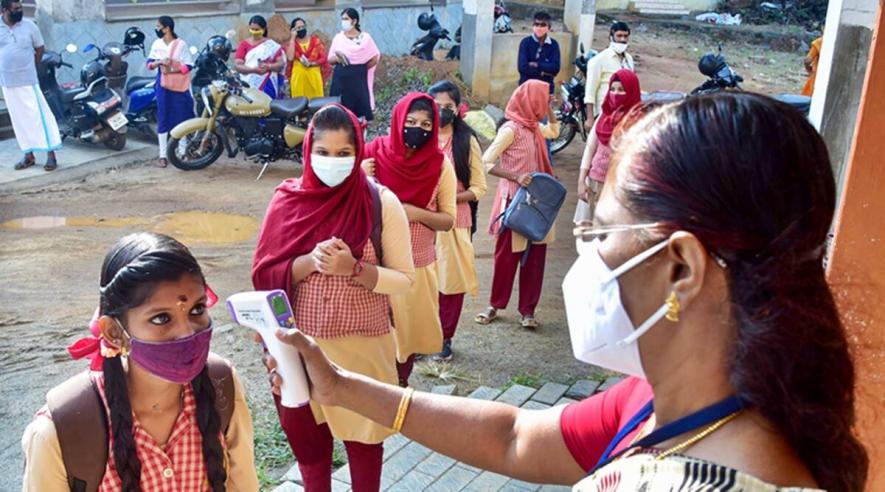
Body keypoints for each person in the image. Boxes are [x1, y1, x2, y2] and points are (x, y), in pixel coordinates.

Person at [265, 92, 869, 492]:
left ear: (681, 266)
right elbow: (516, 438)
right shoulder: (664, 403)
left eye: (602, 232)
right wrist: (343, 387)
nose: (585, 255)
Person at [252, 104, 415, 491]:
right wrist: (308, 263)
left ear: (359, 153)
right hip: (298, 350)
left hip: (363, 350)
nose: (333, 161)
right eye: (323, 152)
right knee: (311, 452)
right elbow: (264, 273)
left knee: (363, 445)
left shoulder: (380, 203)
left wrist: (355, 270)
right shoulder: (287, 201)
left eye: (344, 154)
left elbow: (405, 280)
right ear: (308, 150)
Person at [21, 232, 259, 491]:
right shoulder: (59, 433)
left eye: (197, 309)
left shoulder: (221, 387)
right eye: (160, 319)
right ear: (114, 332)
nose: (188, 333)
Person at [362, 93, 456, 385]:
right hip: (373, 262)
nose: (418, 129)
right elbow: (341, 201)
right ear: (398, 120)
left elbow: (448, 220)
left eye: (426, 124)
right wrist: (359, 176)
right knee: (375, 334)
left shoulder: (440, 166)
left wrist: (415, 213)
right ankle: (378, 389)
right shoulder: (372, 154)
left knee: (408, 335)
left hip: (416, 263)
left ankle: (400, 388)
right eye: (411, 121)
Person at [474, 80, 558, 330]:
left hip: (539, 204)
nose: (544, 103)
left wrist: (550, 109)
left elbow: (554, 131)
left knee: (536, 259)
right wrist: (516, 177)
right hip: (514, 203)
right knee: (506, 258)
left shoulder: (534, 127)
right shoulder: (511, 130)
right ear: (530, 101)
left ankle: (528, 312)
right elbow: (485, 162)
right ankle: (495, 305)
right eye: (541, 99)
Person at [428, 81, 487, 361]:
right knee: (422, 282)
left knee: (450, 283)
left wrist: (450, 198)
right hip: (419, 221)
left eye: (448, 107)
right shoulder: (420, 134)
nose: (442, 111)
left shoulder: (466, 140)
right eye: (436, 106)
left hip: (454, 221)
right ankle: (421, 337)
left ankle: (444, 337)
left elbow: (479, 187)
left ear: (458, 108)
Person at [1, 0, 61, 171]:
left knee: (39, 118)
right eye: (16, 9)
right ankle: (29, 155)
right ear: (5, 10)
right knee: (19, 121)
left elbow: (40, 49)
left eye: (20, 7)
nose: (20, 11)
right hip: (7, 83)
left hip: (28, 80)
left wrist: (31, 65)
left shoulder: (29, 26)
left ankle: (51, 155)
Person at [575, 69, 641, 225]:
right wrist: (581, 181)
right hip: (594, 183)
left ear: (631, 92)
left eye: (621, 90)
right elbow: (590, 149)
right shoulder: (602, 118)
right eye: (612, 89)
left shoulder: (638, 123)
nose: (615, 94)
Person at [147, 16, 195, 168]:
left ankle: (182, 151)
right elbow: (149, 65)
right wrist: (160, 62)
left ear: (167, 28)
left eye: (158, 26)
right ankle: (163, 155)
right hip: (162, 84)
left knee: (181, 117)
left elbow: (188, 66)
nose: (157, 29)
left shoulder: (181, 45)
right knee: (163, 116)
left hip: (179, 85)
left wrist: (172, 69)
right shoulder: (157, 44)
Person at [328, 8, 380, 121]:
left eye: (346, 19)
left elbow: (374, 57)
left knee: (360, 116)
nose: (343, 22)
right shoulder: (339, 38)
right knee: (339, 115)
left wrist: (360, 69)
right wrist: (338, 58)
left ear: (354, 21)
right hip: (341, 81)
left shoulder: (365, 38)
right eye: (342, 19)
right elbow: (330, 59)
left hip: (358, 80)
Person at [583, 21, 634, 128]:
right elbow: (590, 92)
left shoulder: (629, 59)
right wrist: (590, 118)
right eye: (619, 36)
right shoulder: (599, 60)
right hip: (604, 113)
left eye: (625, 36)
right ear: (611, 37)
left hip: (623, 113)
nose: (622, 40)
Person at [235, 15, 286, 99]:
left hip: (268, 83)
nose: (254, 32)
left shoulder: (271, 45)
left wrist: (268, 66)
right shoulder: (244, 44)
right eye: (252, 29)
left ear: (263, 29)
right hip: (249, 83)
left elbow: (280, 64)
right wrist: (253, 70)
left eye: (257, 30)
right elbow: (238, 65)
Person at [286, 17, 331, 100]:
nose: (301, 29)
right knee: (299, 105)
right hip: (299, 80)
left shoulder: (315, 41)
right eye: (298, 28)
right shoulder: (292, 44)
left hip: (314, 77)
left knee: (316, 104)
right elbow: (290, 57)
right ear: (293, 30)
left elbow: (323, 59)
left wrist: (311, 63)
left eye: (303, 27)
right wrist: (292, 38)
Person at [517, 11, 560, 95]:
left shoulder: (553, 45)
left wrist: (537, 65)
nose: (539, 27)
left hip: (546, 90)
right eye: (537, 24)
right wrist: (544, 73)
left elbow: (555, 68)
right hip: (526, 88)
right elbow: (522, 67)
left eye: (543, 25)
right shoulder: (525, 42)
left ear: (549, 27)